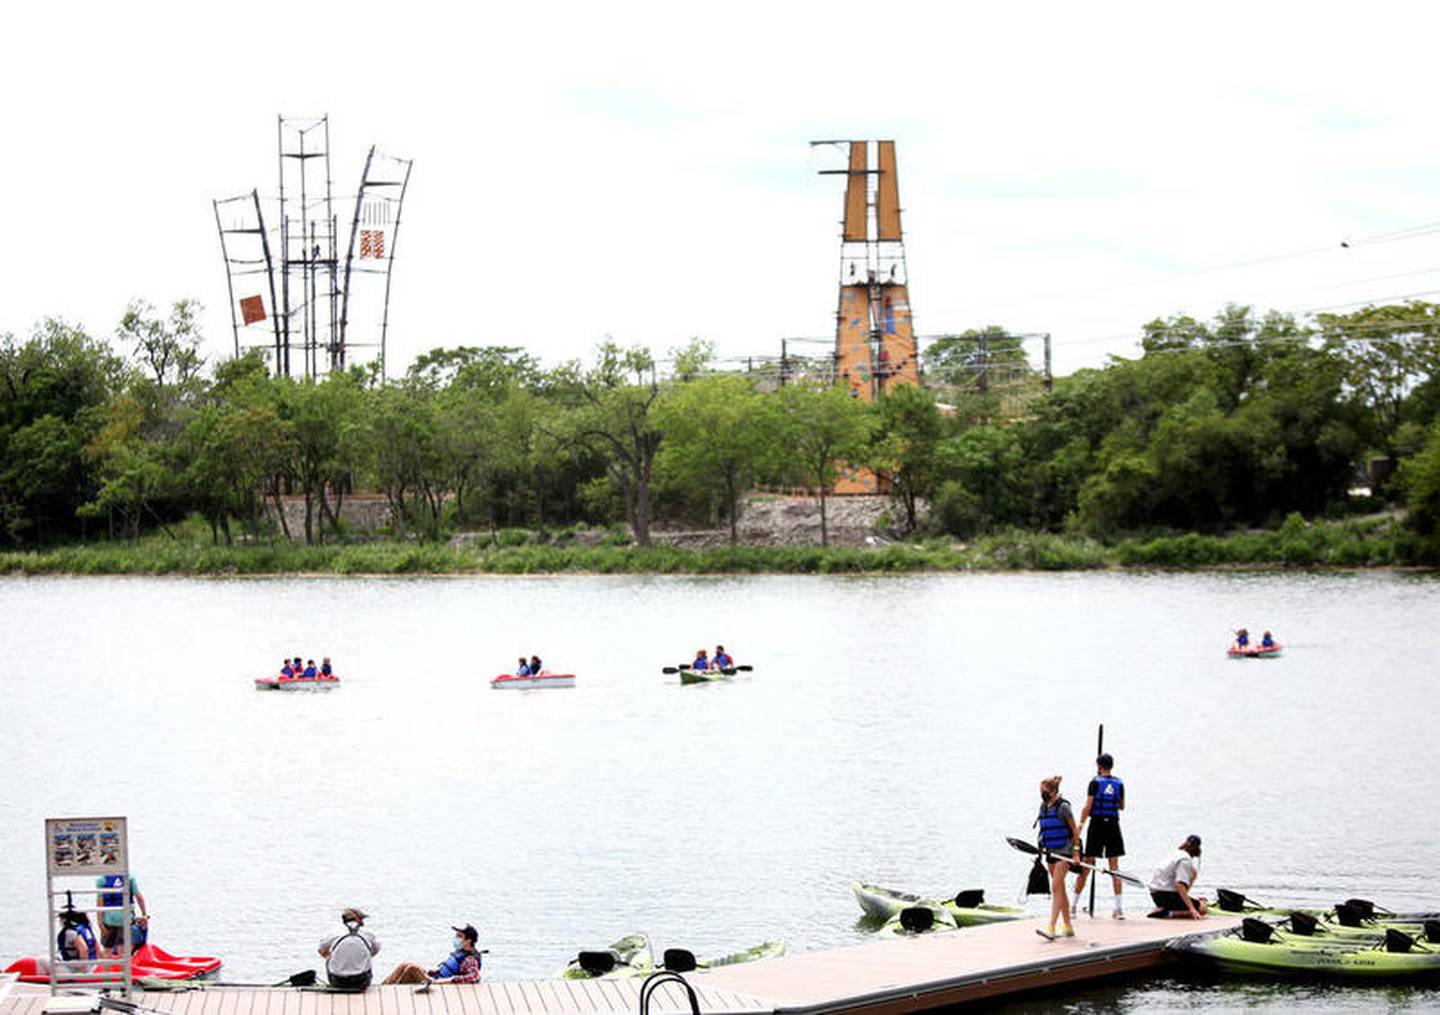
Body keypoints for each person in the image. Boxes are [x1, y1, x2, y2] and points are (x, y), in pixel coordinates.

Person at [1071, 754, 1126, 919]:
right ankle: (1118, 909)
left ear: (1099, 765)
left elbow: (1088, 806)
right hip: (1113, 824)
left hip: (1097, 824)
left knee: (1087, 864)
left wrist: (1079, 826)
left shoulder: (1094, 782)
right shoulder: (1119, 783)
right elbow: (1122, 806)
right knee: (1114, 867)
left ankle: (1073, 907)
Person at [1035, 775, 1081, 939]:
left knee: (1055, 887)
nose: (1042, 793)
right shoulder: (1043, 807)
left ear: (1054, 791)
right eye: (1041, 791)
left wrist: (1076, 852)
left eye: (1044, 791)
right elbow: (1043, 830)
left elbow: (1075, 831)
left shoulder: (1063, 807)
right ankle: (1068, 925)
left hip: (1064, 852)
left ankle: (1051, 927)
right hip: (1050, 852)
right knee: (1060, 889)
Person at [381, 923, 483, 985]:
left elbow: (474, 976)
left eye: (460, 936)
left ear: (468, 941)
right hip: (436, 978)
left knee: (411, 969)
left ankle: (391, 990)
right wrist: (432, 972)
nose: (456, 938)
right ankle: (384, 987)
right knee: (405, 965)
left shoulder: (470, 958)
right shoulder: (461, 951)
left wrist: (451, 980)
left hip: (439, 983)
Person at [318, 907, 380, 991]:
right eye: (362, 919)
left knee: (330, 957)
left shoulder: (335, 933)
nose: (363, 922)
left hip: (338, 982)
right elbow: (376, 950)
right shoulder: (368, 934)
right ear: (357, 920)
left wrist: (335, 957)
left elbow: (321, 949)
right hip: (361, 982)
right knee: (367, 957)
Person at [1147, 834, 1207, 919]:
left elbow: (1193, 873)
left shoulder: (1177, 854)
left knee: (1193, 873)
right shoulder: (1185, 860)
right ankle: (1169, 913)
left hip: (1155, 895)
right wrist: (1192, 908)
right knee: (1202, 909)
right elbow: (1180, 885)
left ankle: (1164, 908)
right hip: (1167, 896)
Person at [95, 873, 148, 955]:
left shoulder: (101, 880)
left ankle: (107, 966)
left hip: (109, 920)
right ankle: (123, 965)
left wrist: (100, 923)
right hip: (125, 920)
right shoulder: (130, 878)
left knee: (107, 950)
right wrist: (144, 914)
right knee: (122, 949)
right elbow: (138, 897)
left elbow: (100, 903)